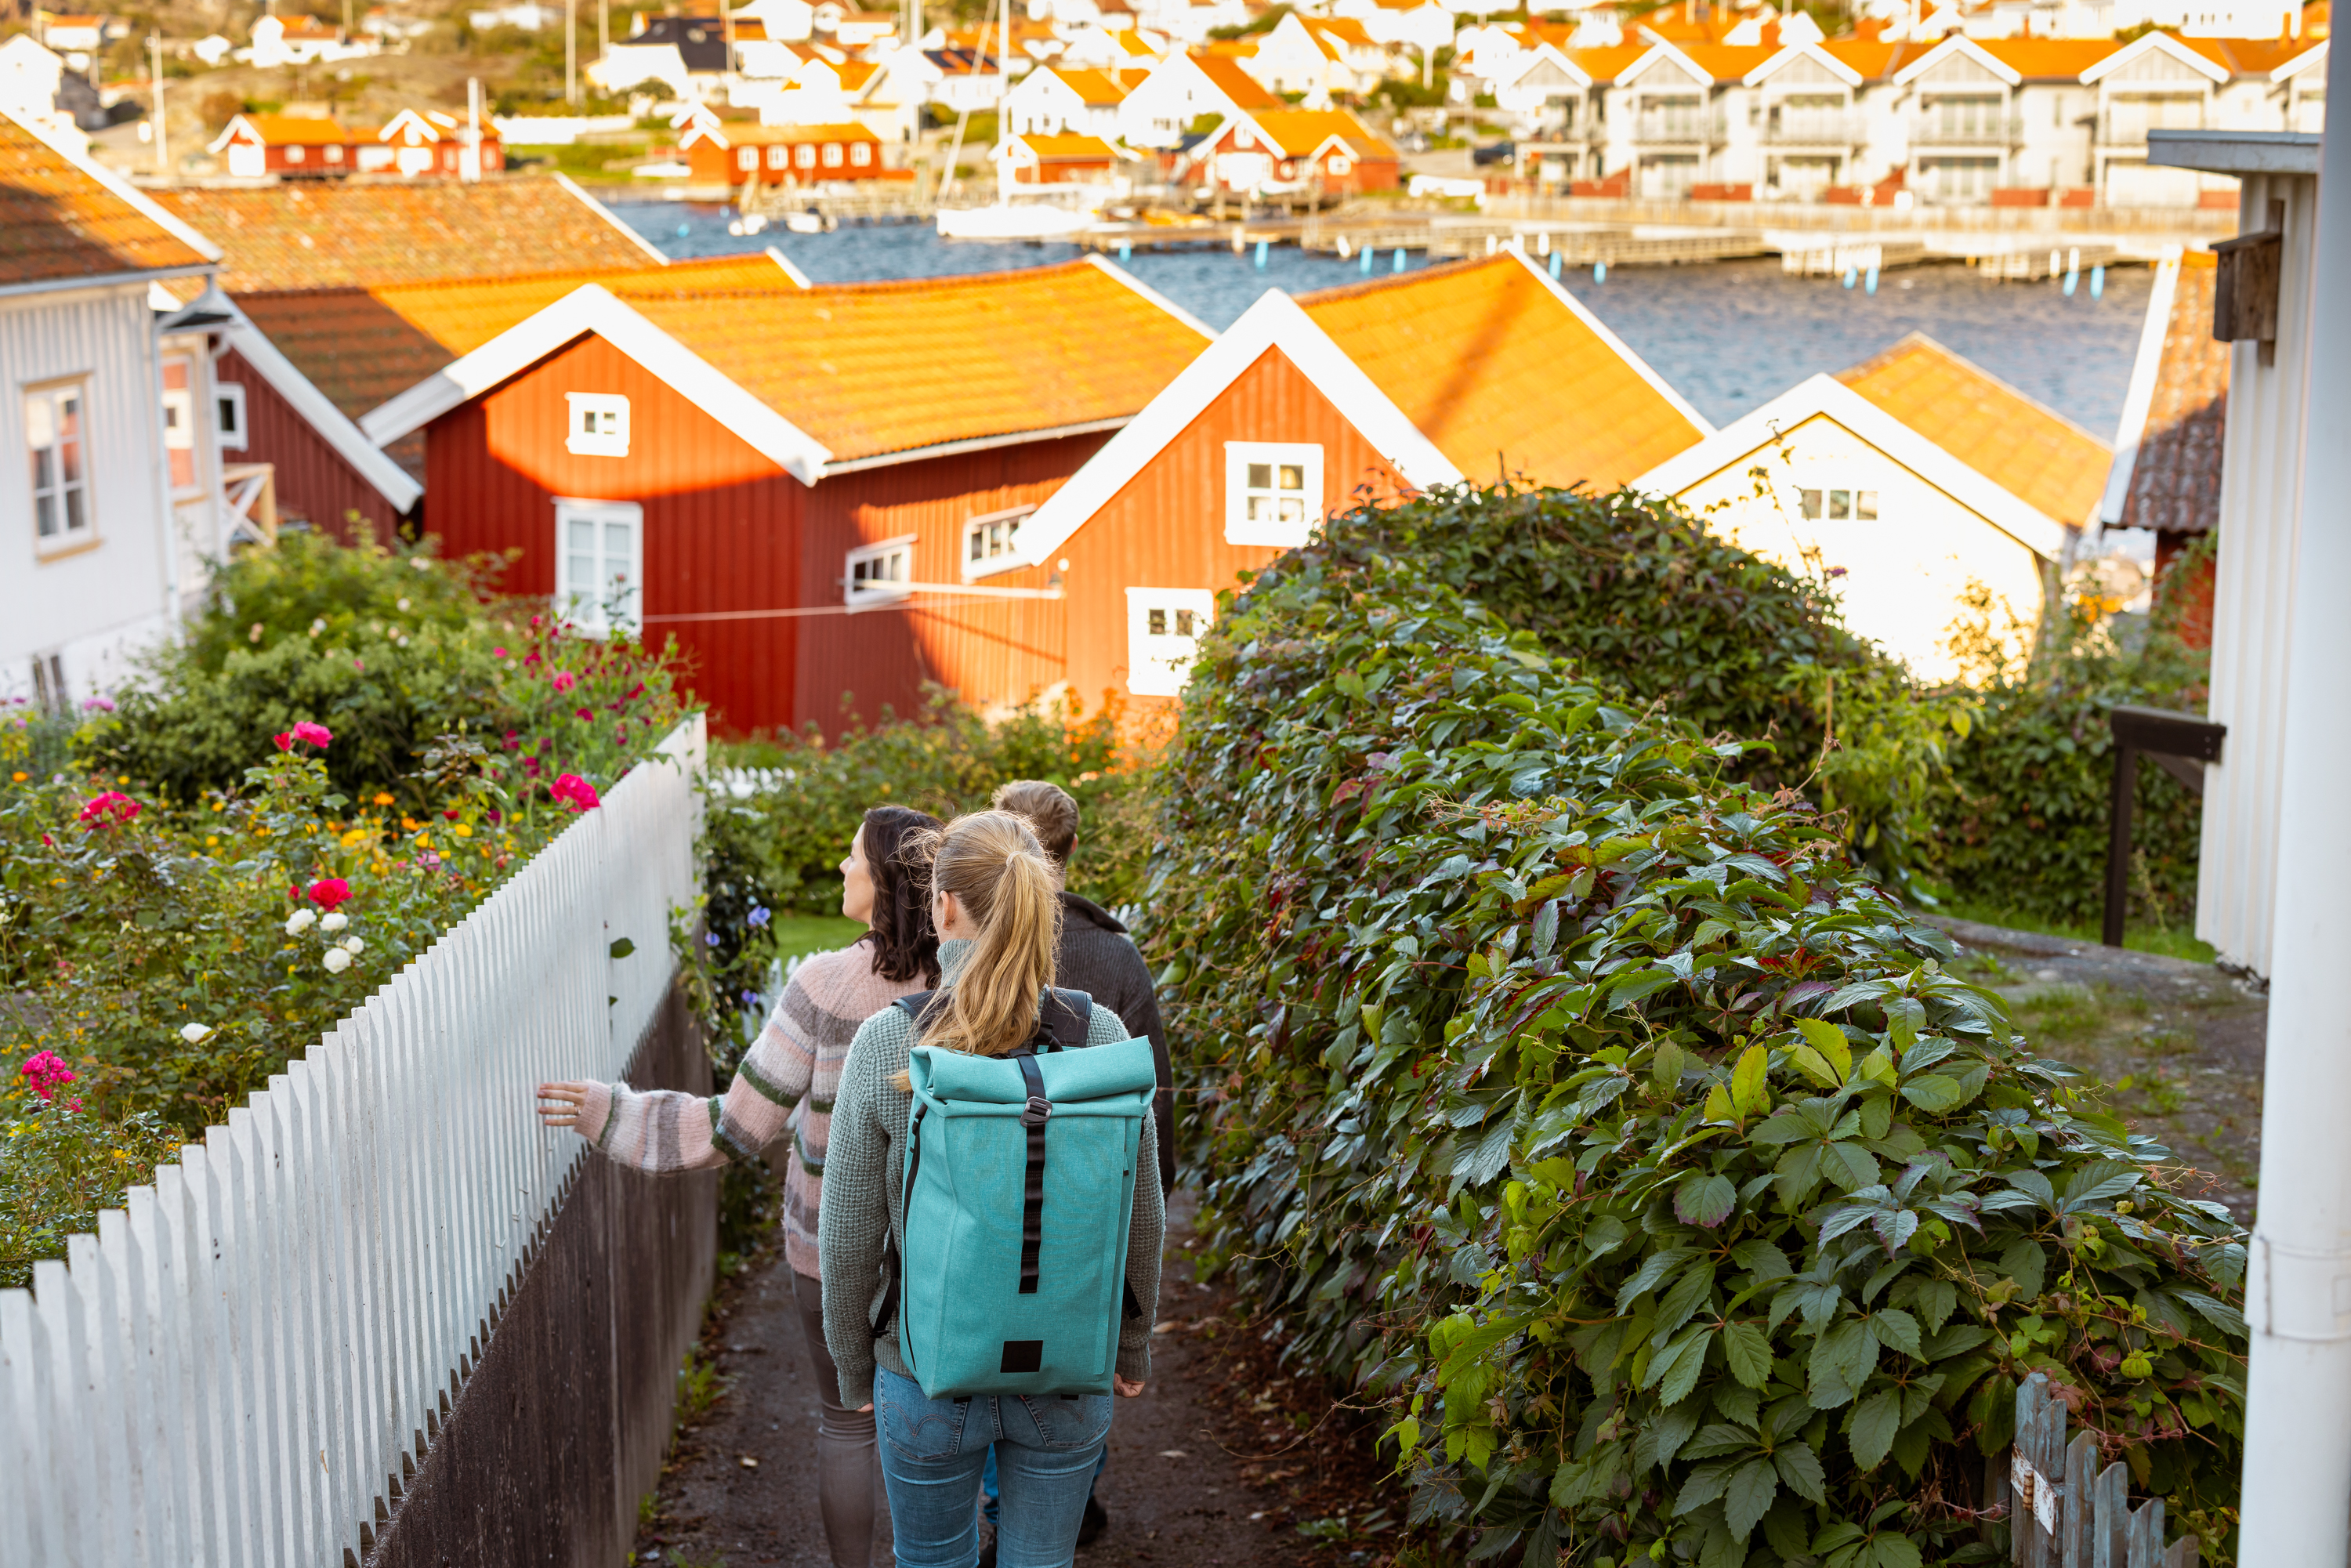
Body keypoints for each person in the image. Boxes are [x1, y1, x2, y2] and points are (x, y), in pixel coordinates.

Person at [538, 804, 944, 1568]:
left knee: (848, 1420)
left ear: (885, 879)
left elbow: (736, 1128)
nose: (842, 869)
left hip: (832, 1253)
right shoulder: (974, 987)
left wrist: (609, 1112)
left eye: (853, 857)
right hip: (952, 1254)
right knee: (952, 1421)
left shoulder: (824, 985)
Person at [820, 809, 1164, 1568]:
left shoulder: (892, 1041)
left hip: (923, 1376)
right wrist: (1131, 1347)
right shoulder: (1099, 1039)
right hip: (1067, 1370)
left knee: (932, 1559)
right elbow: (1142, 1212)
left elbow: (846, 1236)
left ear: (943, 906)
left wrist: (854, 1367)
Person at [981, 780, 1173, 1555]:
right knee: (1080, 1342)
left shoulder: (971, 945)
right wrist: (1154, 1180)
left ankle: (1000, 1504)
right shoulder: (1115, 952)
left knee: (991, 1333)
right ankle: (1066, 1487)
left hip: (995, 1182)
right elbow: (1149, 1080)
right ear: (1070, 851)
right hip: (1089, 1188)